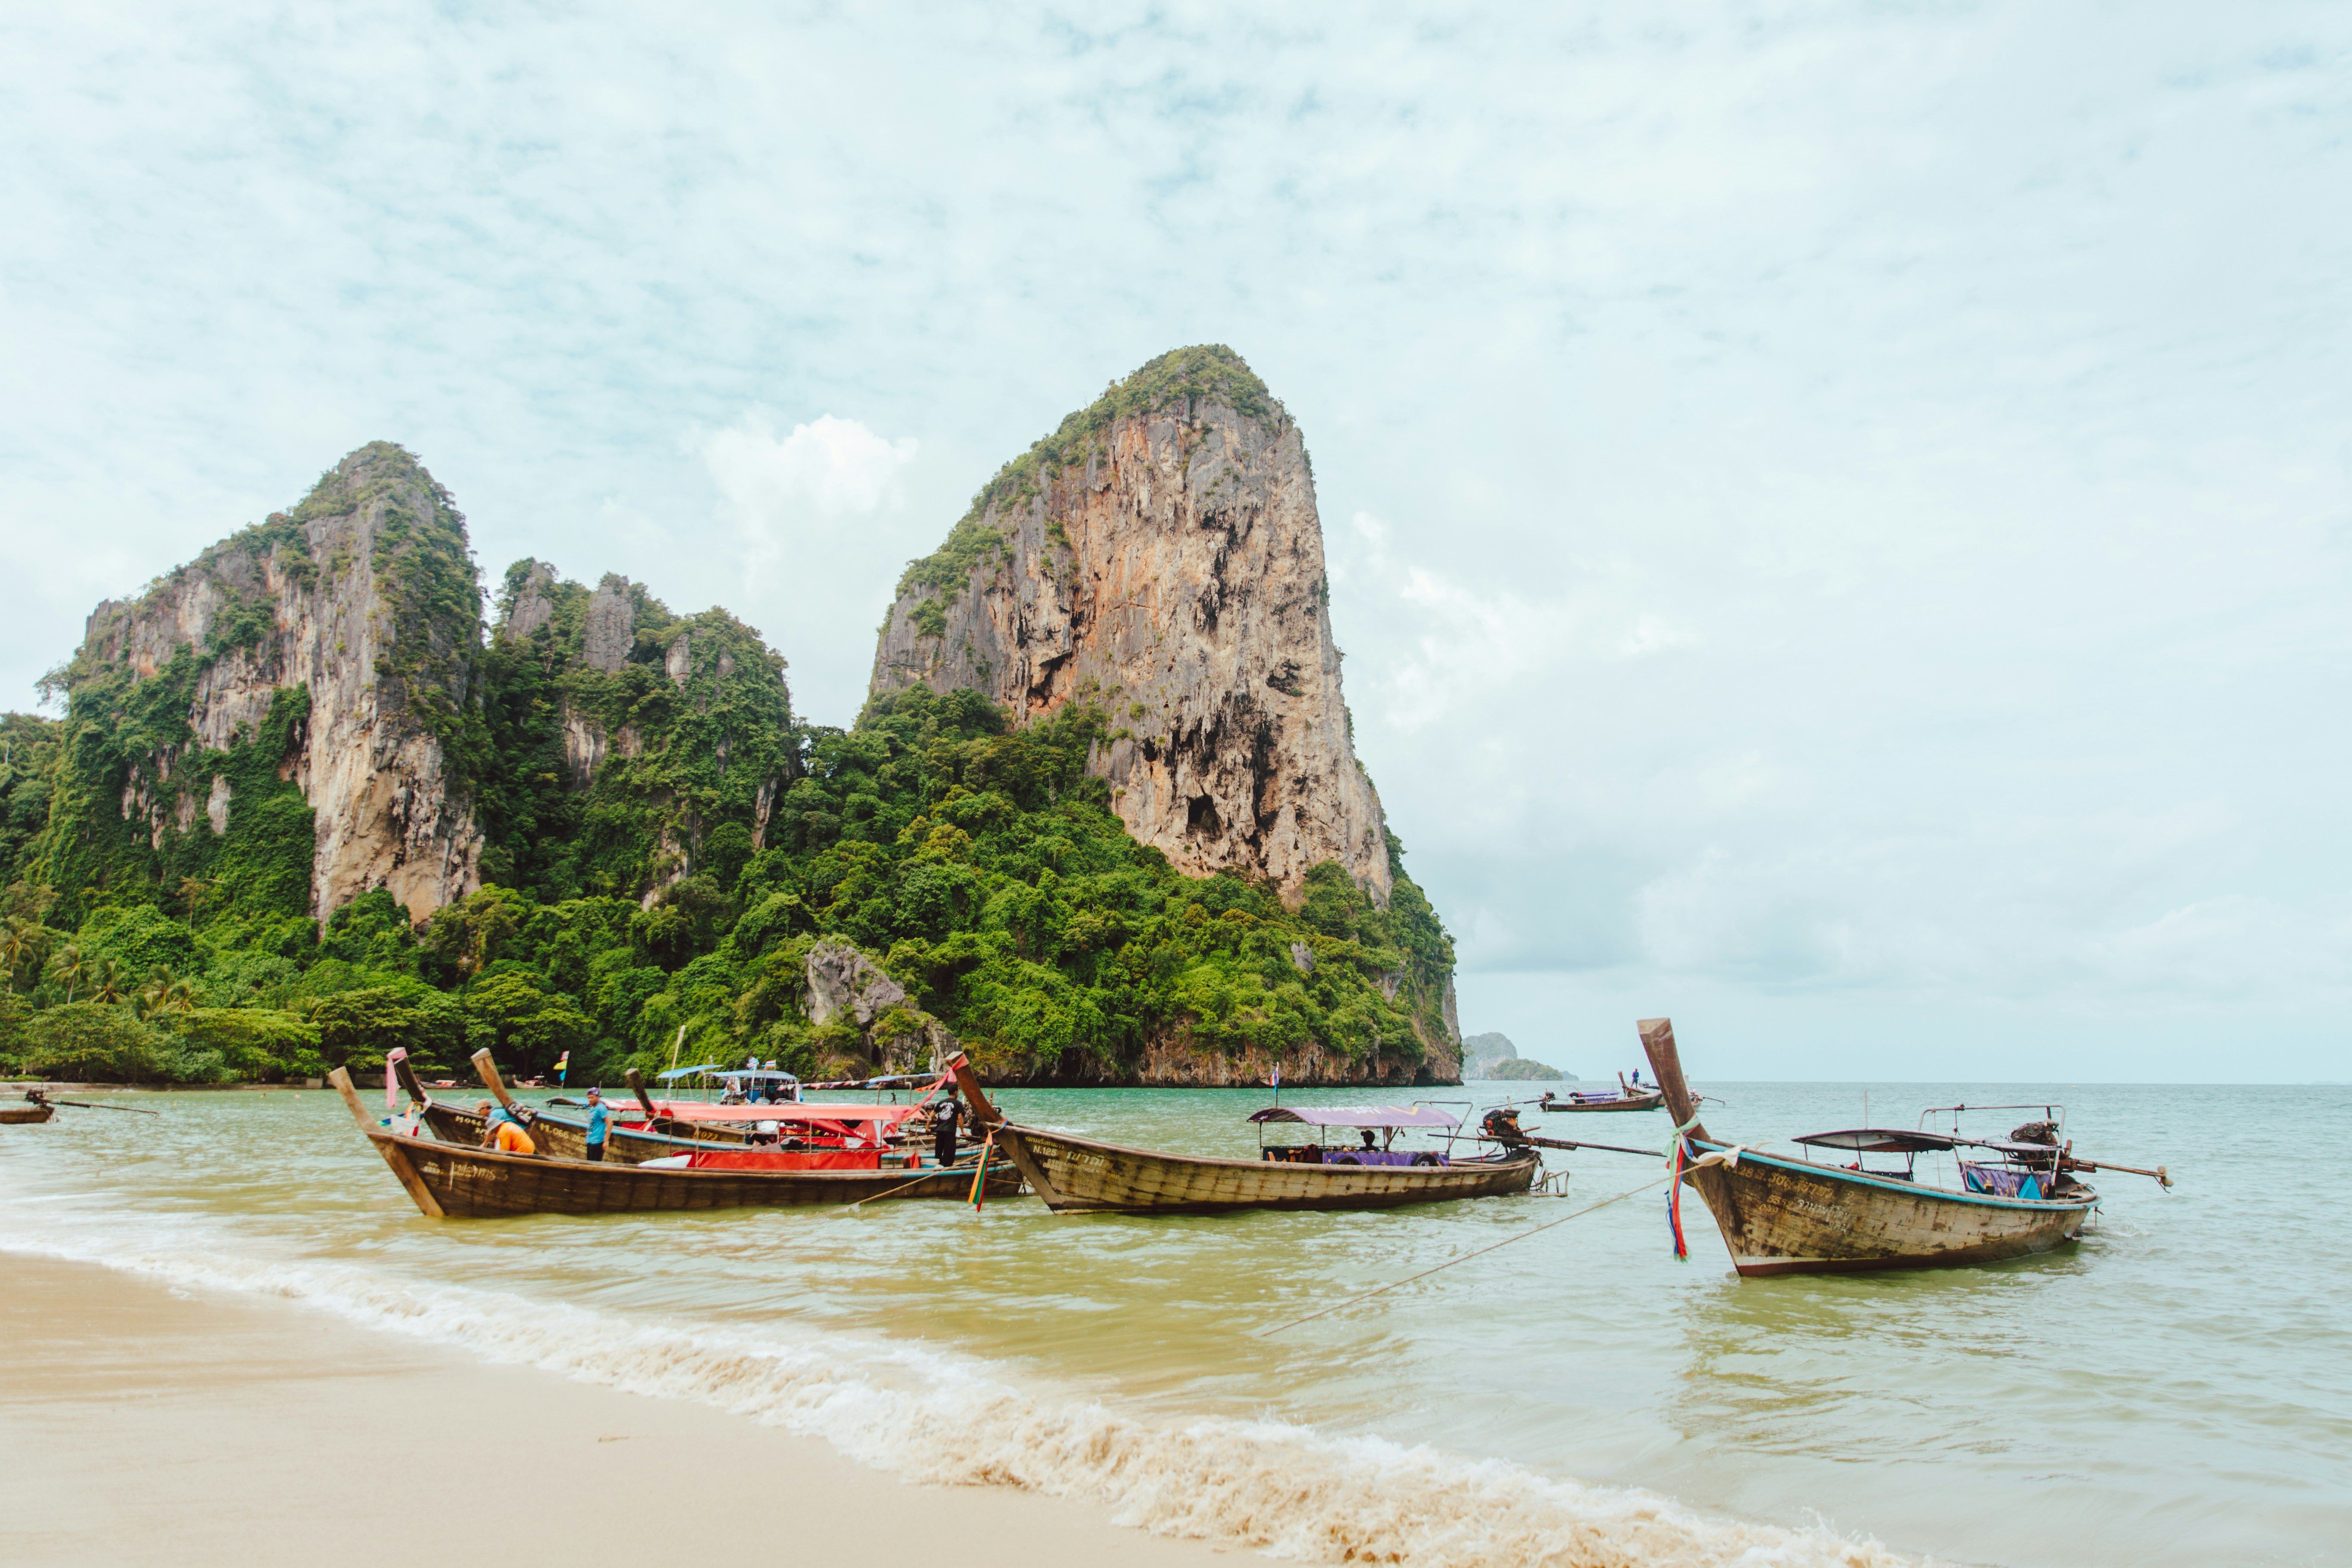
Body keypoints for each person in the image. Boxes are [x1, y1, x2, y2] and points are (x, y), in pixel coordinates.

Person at [582, 1086, 610, 1163]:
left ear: (598, 1097)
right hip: (590, 1140)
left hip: (598, 1142)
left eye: (592, 1097)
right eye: (589, 1098)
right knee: (590, 1164)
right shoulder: (593, 1108)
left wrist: (606, 1141)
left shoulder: (601, 1108)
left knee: (595, 1165)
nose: (590, 1100)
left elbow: (610, 1123)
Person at [932, 1096, 961, 1167]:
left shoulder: (941, 1102)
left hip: (939, 1131)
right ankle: (947, 1168)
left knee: (938, 1153)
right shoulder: (958, 1103)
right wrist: (963, 1131)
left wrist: (927, 1128)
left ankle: (938, 1168)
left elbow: (931, 1114)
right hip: (950, 1131)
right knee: (949, 1154)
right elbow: (960, 1117)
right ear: (956, 1092)